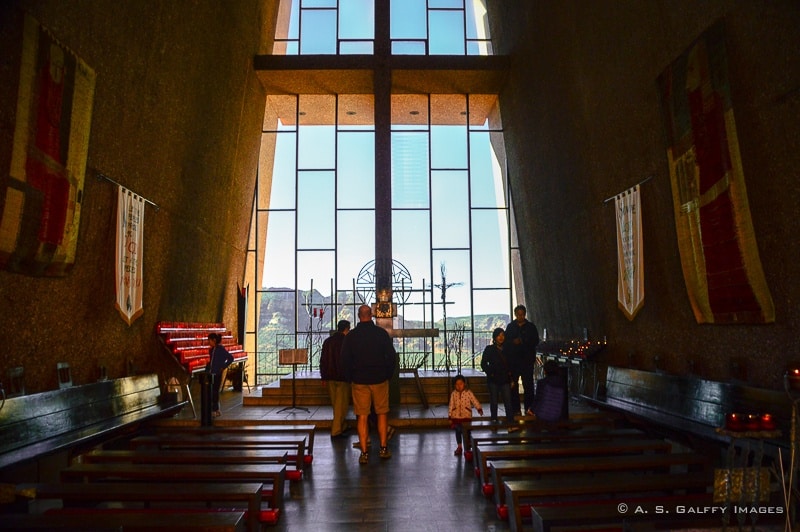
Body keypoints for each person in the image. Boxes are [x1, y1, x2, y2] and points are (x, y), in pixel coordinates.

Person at [341, 304, 398, 464]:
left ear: (359, 316)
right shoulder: (381, 334)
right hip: (379, 379)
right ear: (371, 315)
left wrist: (351, 377)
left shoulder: (351, 336)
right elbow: (391, 357)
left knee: (362, 416)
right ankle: (383, 448)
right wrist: (386, 374)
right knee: (382, 414)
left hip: (359, 381)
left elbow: (344, 359)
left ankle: (365, 453)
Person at [504, 304, 540, 417]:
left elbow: (535, 341)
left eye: (522, 314)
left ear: (524, 314)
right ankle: (516, 409)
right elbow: (506, 342)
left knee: (528, 386)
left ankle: (529, 408)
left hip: (527, 361)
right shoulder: (510, 327)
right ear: (515, 314)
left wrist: (523, 341)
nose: (520, 316)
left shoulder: (531, 327)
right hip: (514, 362)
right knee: (513, 387)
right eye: (518, 314)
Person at [320, 319, 352, 437]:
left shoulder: (328, 341)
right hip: (343, 377)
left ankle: (342, 425)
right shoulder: (347, 341)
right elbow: (349, 360)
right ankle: (336, 430)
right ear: (346, 329)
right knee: (342, 404)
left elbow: (323, 360)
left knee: (335, 404)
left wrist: (323, 376)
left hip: (330, 376)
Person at [480, 327, 517, 429]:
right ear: (494, 337)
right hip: (494, 379)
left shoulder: (508, 349)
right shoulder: (489, 349)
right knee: (494, 401)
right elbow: (483, 363)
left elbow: (511, 364)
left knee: (508, 402)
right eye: (499, 335)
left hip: (505, 379)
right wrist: (490, 373)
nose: (501, 337)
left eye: (503, 335)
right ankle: (494, 420)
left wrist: (512, 378)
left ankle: (510, 421)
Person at [448, 374, 483, 456]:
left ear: (464, 384)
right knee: (458, 430)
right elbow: (451, 405)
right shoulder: (453, 394)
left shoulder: (468, 393)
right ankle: (459, 446)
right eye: (456, 384)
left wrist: (479, 408)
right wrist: (450, 416)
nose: (459, 386)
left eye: (460, 384)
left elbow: (474, 400)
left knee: (467, 431)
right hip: (456, 416)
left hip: (466, 416)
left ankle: (468, 447)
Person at [207, 332, 234, 417]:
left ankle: (215, 409)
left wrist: (223, 367)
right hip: (212, 373)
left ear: (214, 340)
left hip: (217, 373)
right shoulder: (211, 350)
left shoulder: (220, 349)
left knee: (215, 392)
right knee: (212, 392)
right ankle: (216, 408)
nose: (209, 342)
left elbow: (230, 358)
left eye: (209, 340)